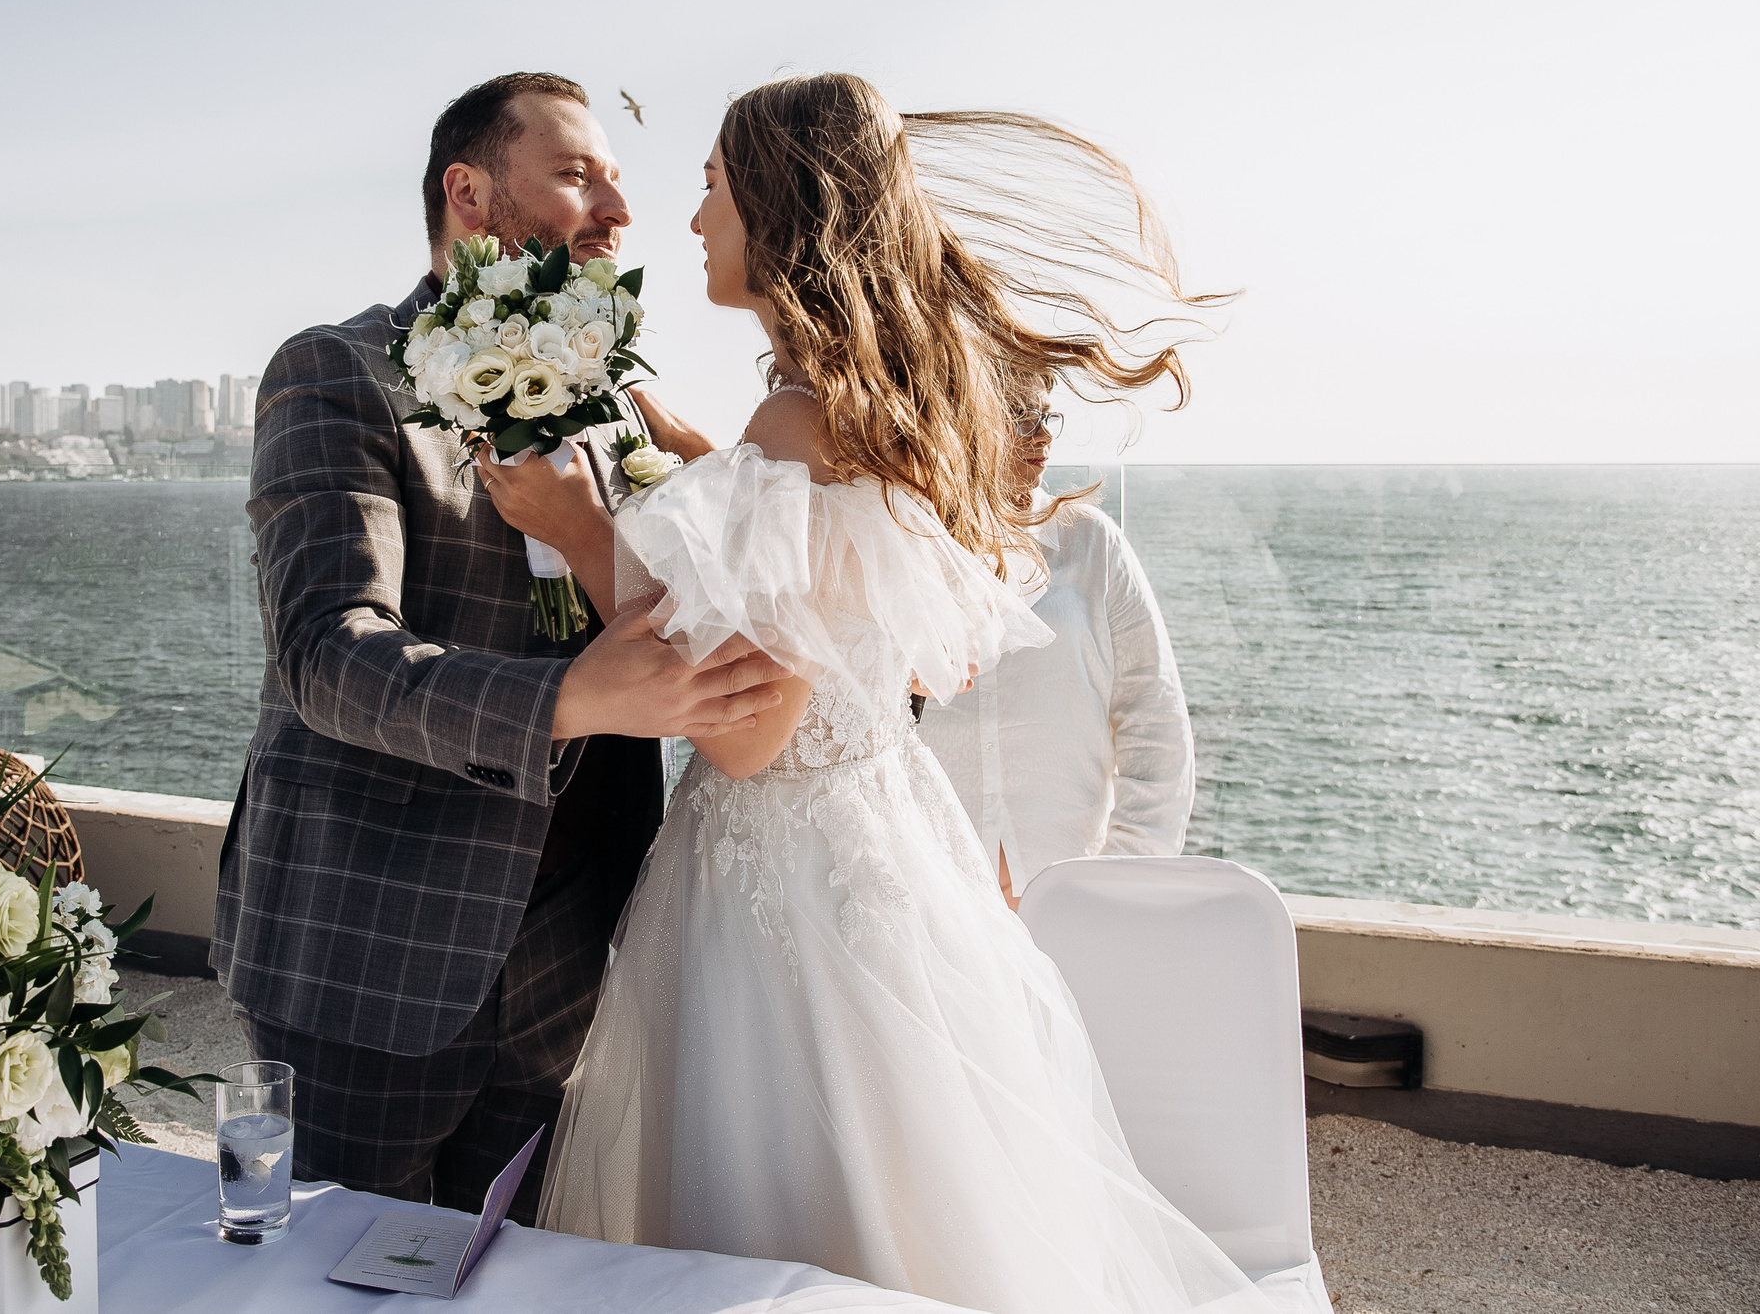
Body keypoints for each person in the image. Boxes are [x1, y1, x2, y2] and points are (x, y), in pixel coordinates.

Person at [480, 74, 1322, 1313]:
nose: (695, 219)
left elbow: (748, 732)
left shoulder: (793, 422)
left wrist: (580, 530)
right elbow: (833, 593)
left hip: (779, 885)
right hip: (875, 843)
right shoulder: (878, 409)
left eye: (713, 189)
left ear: (779, 207)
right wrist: (701, 462)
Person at [210, 71, 785, 1225]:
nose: (618, 212)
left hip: (571, 958)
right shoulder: (339, 372)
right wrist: (573, 698)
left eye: (617, 180)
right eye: (576, 176)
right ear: (467, 195)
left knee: (513, 1275)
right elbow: (328, 655)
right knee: (342, 1279)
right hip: (376, 953)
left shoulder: (617, 401)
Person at [918, 380, 1196, 909]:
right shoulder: (910, 545)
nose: (1042, 435)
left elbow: (1156, 727)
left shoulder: (1092, 544)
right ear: (961, 418)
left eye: (1046, 416)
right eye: (1019, 415)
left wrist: (1119, 883)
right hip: (933, 902)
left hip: (1077, 904)